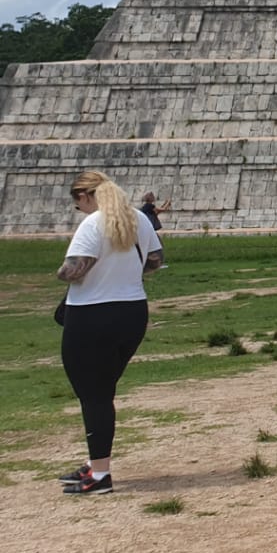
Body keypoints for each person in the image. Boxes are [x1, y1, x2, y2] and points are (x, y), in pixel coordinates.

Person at [56, 170, 164, 495]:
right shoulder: (139, 221)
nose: (80, 210)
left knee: (94, 395)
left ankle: (100, 474)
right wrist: (123, 272)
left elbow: (71, 272)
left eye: (79, 204)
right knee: (102, 391)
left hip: (92, 314)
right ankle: (95, 463)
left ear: (86, 196)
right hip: (132, 311)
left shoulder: (93, 223)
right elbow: (156, 261)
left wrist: (68, 270)